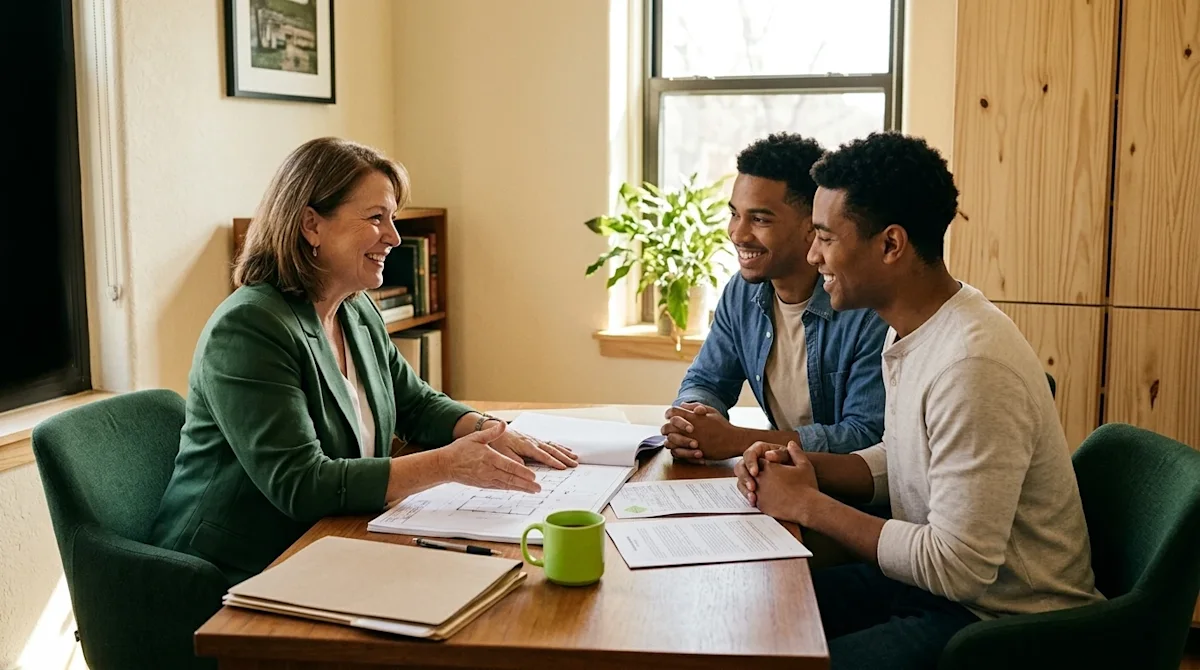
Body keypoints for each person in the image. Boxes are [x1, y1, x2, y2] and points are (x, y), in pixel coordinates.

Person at [733, 132, 1103, 669]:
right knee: (756, 616)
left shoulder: (971, 365)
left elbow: (958, 566)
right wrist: (801, 465)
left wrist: (807, 505)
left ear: (890, 245)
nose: (812, 256)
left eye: (825, 238)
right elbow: (905, 457)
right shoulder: (914, 325)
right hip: (933, 591)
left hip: (999, 623)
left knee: (787, 655)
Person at [149, 137, 577, 583]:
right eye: (376, 218)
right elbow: (300, 484)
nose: (393, 236)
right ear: (311, 225)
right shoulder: (250, 328)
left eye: (392, 218)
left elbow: (415, 403)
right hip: (228, 571)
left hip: (328, 541)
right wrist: (447, 464)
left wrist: (489, 430)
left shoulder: (354, 308)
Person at [662, 133, 887, 461]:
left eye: (759, 219)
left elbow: (865, 436)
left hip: (848, 497)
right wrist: (692, 420)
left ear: (811, 225)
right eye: (735, 214)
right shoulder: (742, 292)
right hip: (779, 482)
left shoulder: (865, 308)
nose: (738, 234)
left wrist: (738, 441)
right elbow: (707, 380)